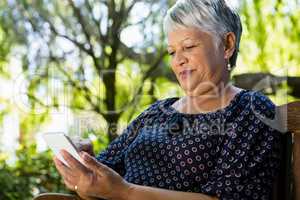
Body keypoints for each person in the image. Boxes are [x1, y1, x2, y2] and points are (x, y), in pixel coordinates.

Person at [54, 0, 282, 199]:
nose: (178, 60)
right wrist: (84, 164)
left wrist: (124, 192)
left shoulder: (250, 110)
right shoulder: (157, 111)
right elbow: (104, 180)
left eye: (189, 47)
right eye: (172, 52)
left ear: (227, 45)